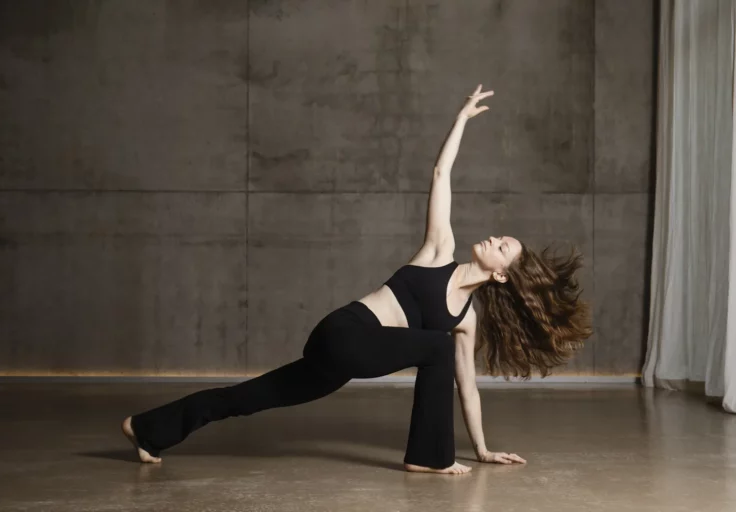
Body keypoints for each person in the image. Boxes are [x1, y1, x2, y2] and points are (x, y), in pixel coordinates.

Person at [122, 85, 593, 475]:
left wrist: (485, 449)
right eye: (500, 237)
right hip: (343, 332)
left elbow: (467, 389)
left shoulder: (465, 321)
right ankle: (429, 459)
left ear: (504, 276)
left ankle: (148, 429)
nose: (493, 238)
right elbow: (440, 172)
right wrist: (462, 120)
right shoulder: (438, 251)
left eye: (502, 246)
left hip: (343, 364)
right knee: (436, 347)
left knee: (246, 398)